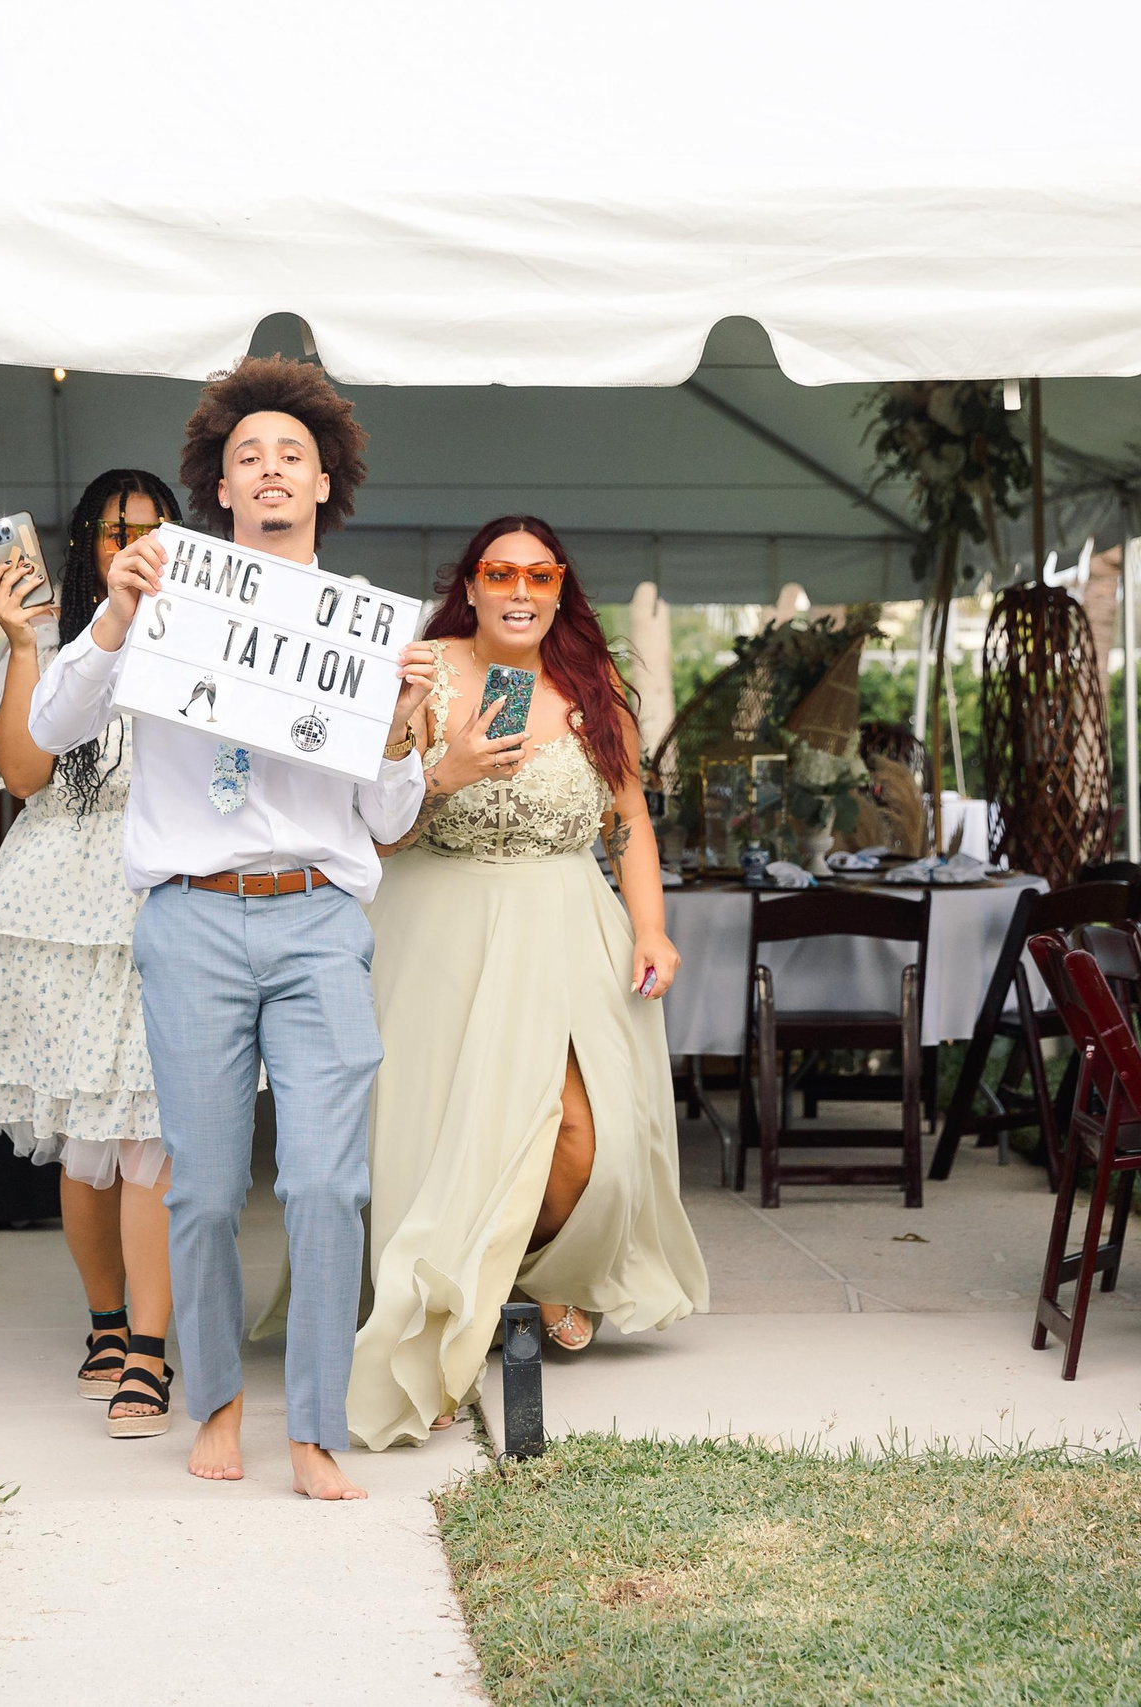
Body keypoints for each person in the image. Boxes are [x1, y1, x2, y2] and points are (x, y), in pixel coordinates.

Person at [26, 357, 437, 1500]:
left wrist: (401, 730)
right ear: (217, 483)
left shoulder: (364, 632)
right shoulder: (158, 600)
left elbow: (390, 819)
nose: (269, 470)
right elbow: (54, 725)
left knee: (324, 1184)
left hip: (316, 920)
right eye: (246, 455)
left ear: (323, 485)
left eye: (290, 456)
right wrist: (112, 614)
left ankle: (314, 1426)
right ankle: (213, 1399)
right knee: (202, 1190)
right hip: (191, 922)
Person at [345, 517, 707, 1449]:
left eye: (538, 574)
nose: (519, 589)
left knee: (591, 1135)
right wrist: (448, 767)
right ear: (468, 585)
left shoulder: (594, 689)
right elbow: (377, 832)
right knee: (441, 1132)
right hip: (435, 926)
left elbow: (627, 817)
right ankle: (481, 1288)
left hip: (562, 922)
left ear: (558, 589)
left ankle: (539, 1271)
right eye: (499, 572)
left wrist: (654, 927)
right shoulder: (420, 673)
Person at [0, 467, 185, 1440]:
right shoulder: (51, 636)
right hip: (56, 904)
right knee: (88, 1148)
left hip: (163, 895)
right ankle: (104, 1325)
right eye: (113, 527)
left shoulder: (206, 638)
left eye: (154, 526)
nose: (133, 539)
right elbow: (20, 771)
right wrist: (19, 644)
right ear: (85, 542)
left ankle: (149, 1350)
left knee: (152, 1139)